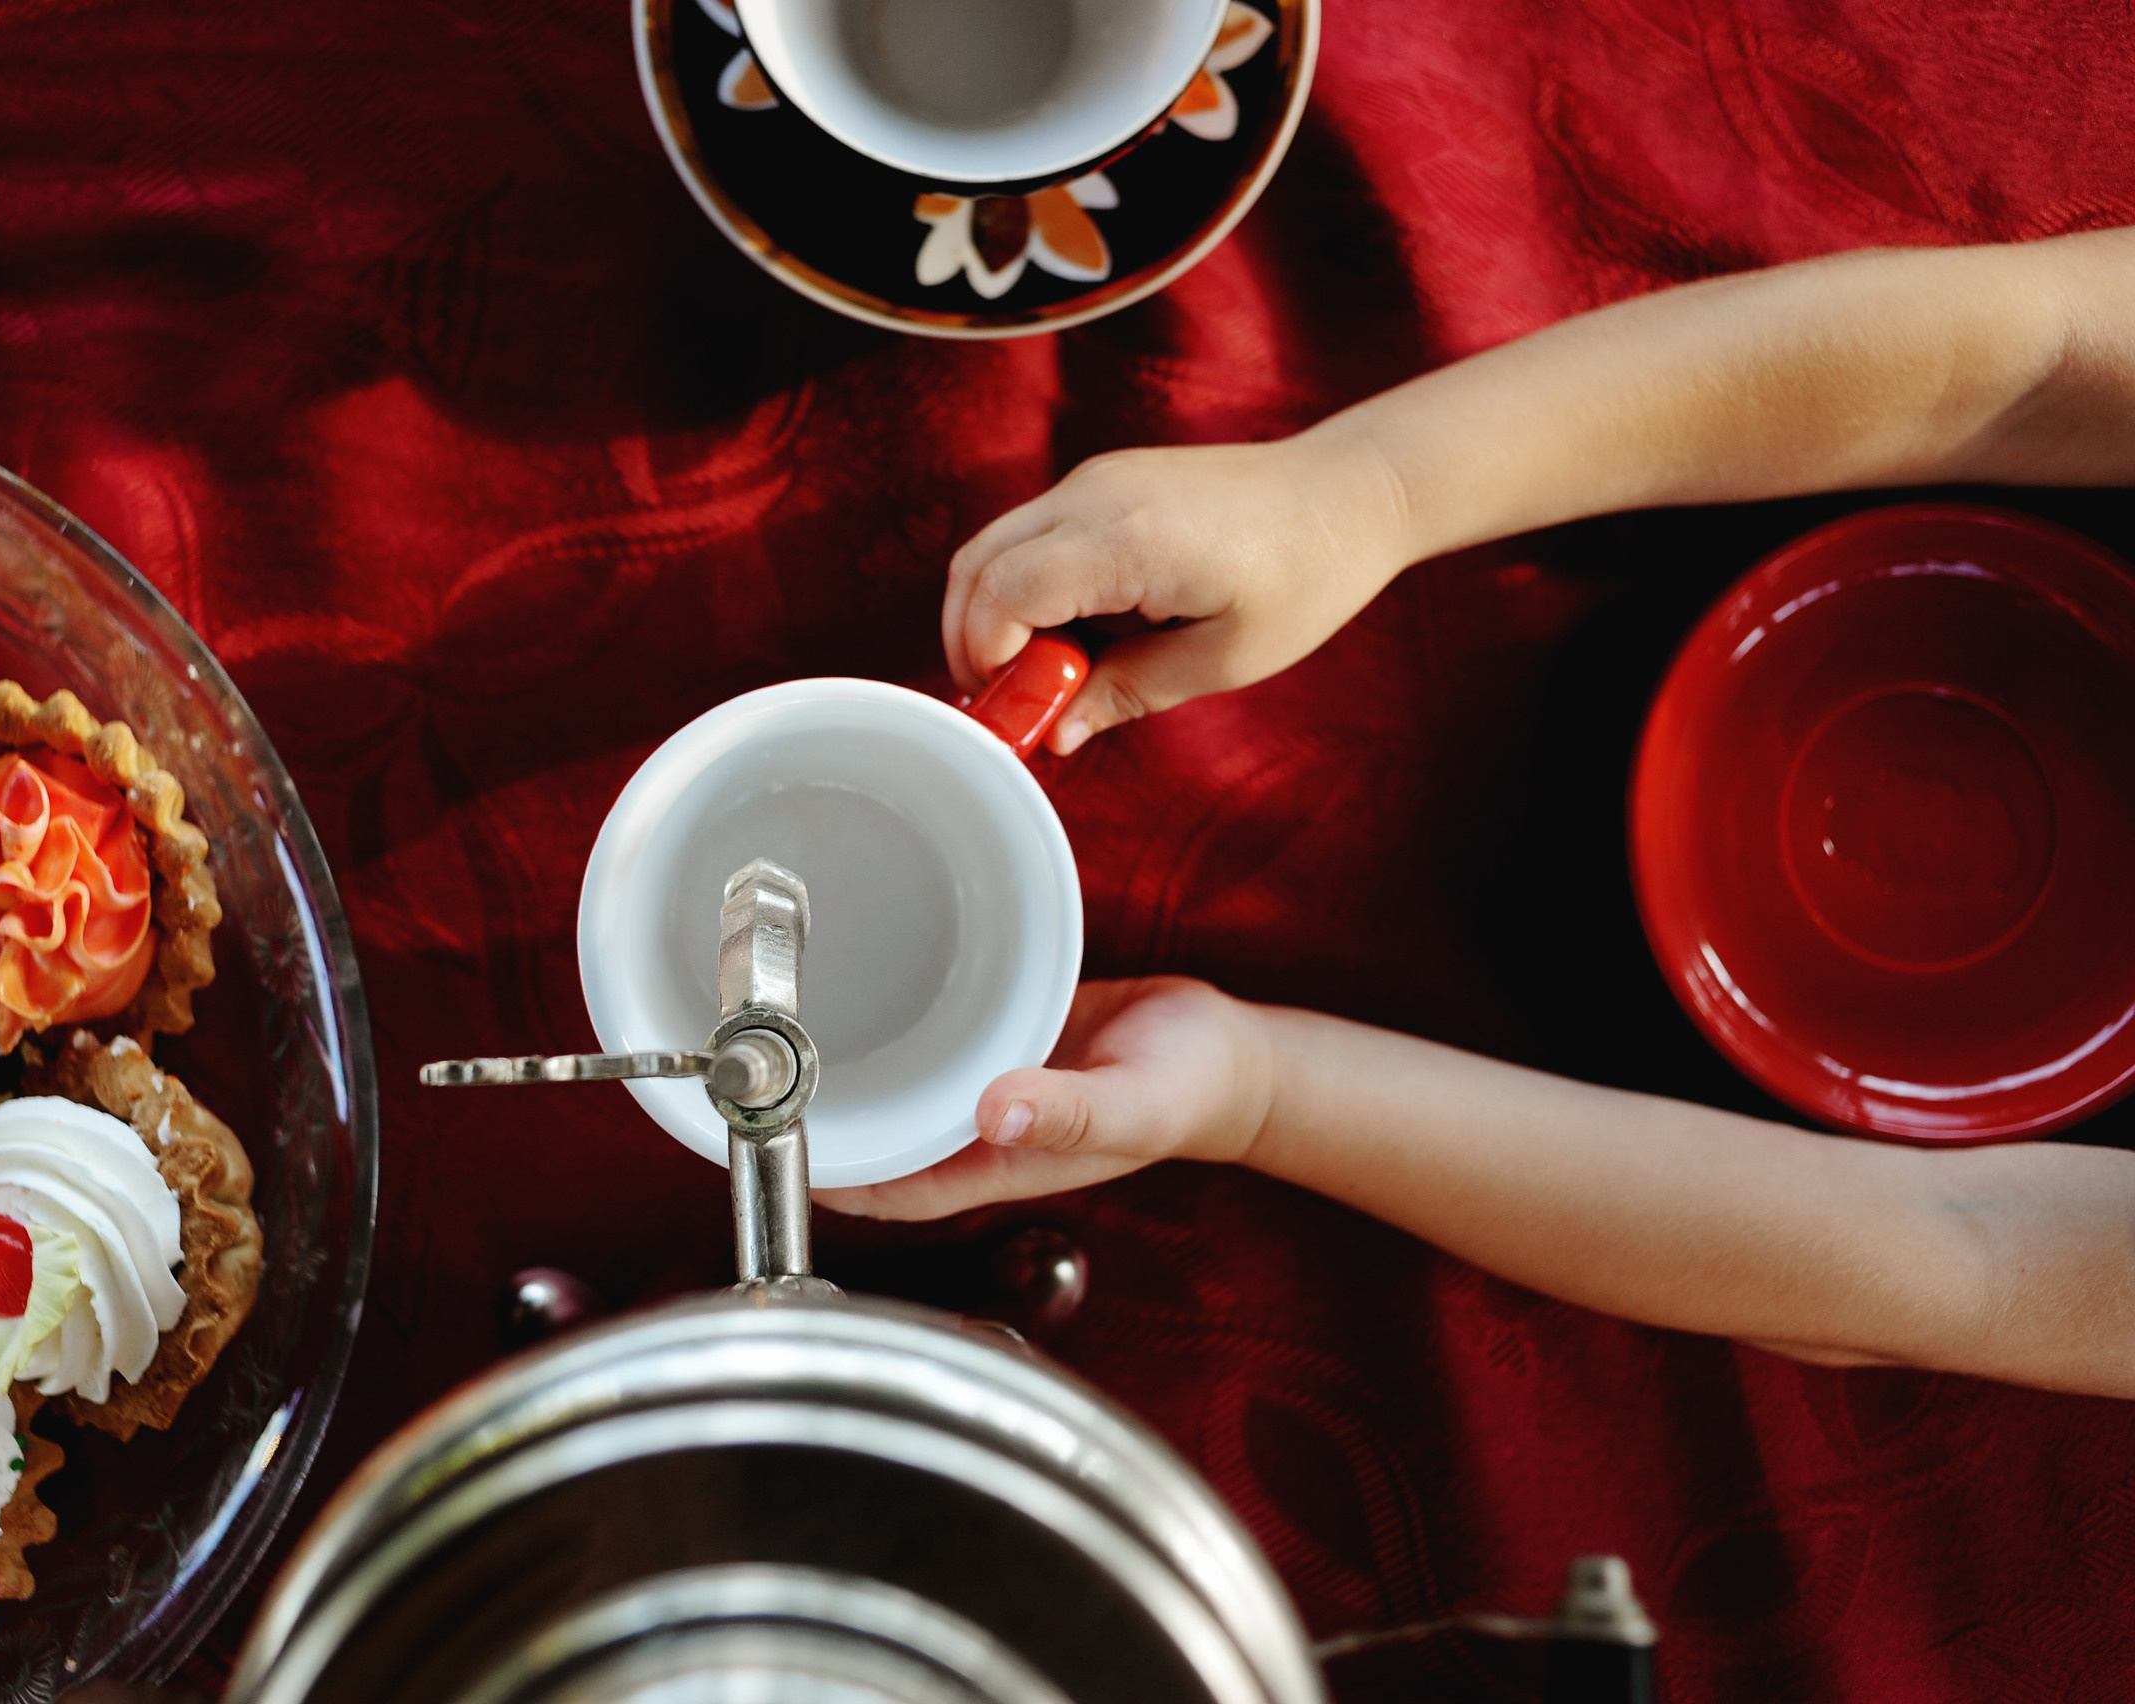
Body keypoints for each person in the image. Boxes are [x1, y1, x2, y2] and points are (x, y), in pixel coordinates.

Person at [816, 227, 2135, 1400]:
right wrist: (1360, 492)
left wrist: (1263, 1090)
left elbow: (1957, 1259)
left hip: (1680, 1066)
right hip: (1729, 510)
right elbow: (2037, 357)